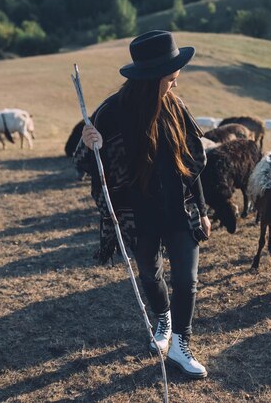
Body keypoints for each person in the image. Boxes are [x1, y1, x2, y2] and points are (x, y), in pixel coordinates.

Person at [74, 30, 210, 379]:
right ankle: (163, 319)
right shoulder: (112, 112)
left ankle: (181, 344)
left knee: (187, 279)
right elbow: (86, 159)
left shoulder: (176, 108)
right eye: (171, 80)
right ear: (151, 80)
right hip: (138, 214)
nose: (175, 86)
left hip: (181, 209)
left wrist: (205, 212)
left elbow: (192, 163)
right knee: (150, 274)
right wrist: (91, 143)